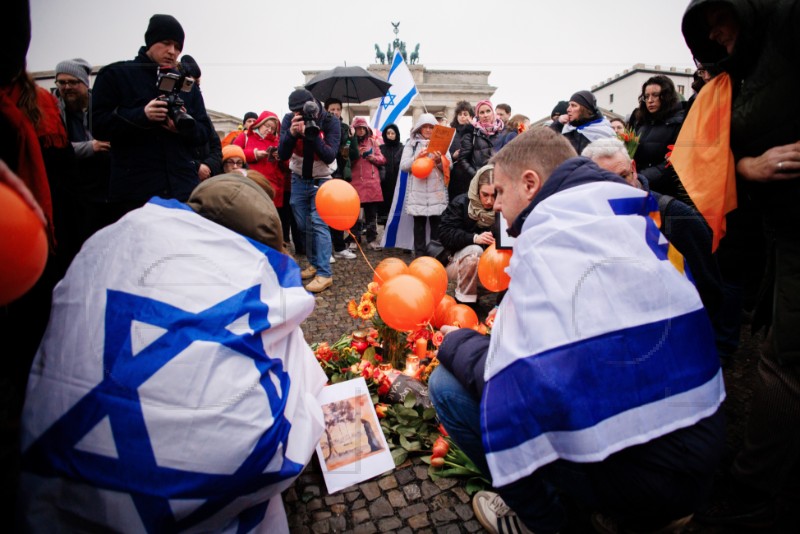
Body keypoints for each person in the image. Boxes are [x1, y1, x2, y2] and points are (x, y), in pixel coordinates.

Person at [429, 127, 726, 534]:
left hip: (653, 474)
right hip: (697, 441)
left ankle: (552, 522)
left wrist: (455, 342)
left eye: (500, 192)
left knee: (446, 385)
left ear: (530, 184)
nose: (496, 206)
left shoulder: (553, 243)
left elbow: (515, 384)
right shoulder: (622, 214)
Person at [18, 173, 326, 532]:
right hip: (195, 489)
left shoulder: (115, 243)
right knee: (295, 358)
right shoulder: (260, 287)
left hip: (54, 480)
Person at [681, 0, 800, 528]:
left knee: (783, 359)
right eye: (707, 29)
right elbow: (703, 153)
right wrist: (743, 167)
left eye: (720, 19)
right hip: (778, 232)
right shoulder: (738, 76)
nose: (717, 34)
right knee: (772, 335)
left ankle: (754, 488)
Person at [582, 137, 723, 330]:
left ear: (633, 167)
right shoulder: (589, 221)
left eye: (623, 176)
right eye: (606, 182)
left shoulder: (676, 217)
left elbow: (709, 292)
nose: (619, 188)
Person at [92, 14, 212, 222]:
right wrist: (142, 115)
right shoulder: (116, 75)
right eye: (166, 43)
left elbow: (204, 132)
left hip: (182, 192)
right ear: (150, 42)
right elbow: (98, 125)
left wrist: (183, 128)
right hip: (136, 194)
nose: (172, 51)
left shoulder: (187, 86)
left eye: (177, 46)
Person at [277, 88, 340, 293]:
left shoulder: (330, 121)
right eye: (295, 111)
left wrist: (312, 135)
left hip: (322, 179)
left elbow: (329, 155)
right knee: (303, 225)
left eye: (301, 110)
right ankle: (313, 263)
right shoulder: (289, 120)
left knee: (319, 223)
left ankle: (324, 273)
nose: (299, 115)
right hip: (298, 178)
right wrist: (292, 134)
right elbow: (282, 153)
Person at [438, 164, 496, 305]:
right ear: (477, 190)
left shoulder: (505, 207)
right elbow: (445, 234)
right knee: (474, 252)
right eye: (485, 195)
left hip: (490, 264)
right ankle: (465, 303)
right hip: (454, 260)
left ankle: (498, 304)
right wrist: (474, 238)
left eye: (494, 195)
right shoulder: (461, 203)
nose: (489, 201)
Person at [629, 75, 687, 200]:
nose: (650, 100)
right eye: (646, 96)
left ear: (666, 96)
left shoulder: (680, 122)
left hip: (667, 194)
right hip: (641, 189)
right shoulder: (640, 122)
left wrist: (641, 178)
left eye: (655, 95)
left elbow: (673, 163)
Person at [400, 113, 450, 258]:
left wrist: (439, 160)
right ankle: (420, 256)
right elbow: (404, 165)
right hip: (418, 192)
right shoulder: (411, 143)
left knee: (436, 227)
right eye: (425, 127)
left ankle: (436, 257)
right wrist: (417, 157)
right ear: (419, 129)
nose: (428, 130)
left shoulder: (442, 143)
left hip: (436, 191)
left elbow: (450, 166)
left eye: (431, 127)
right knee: (419, 226)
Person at [325, 98, 358, 260]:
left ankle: (339, 247)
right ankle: (326, 250)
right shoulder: (322, 126)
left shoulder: (346, 128)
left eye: (338, 109)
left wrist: (352, 139)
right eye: (332, 109)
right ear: (326, 110)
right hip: (326, 173)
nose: (335, 112)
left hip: (341, 174)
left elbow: (354, 155)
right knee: (324, 213)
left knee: (338, 213)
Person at [349, 117, 385, 249]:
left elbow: (382, 159)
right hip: (355, 182)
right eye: (358, 128)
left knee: (371, 214)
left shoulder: (373, 142)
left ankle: (371, 239)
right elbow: (344, 159)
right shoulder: (349, 142)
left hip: (371, 183)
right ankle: (354, 239)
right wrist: (356, 154)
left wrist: (372, 157)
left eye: (363, 128)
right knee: (354, 214)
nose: (361, 130)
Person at [549, 90, 615, 154]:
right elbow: (545, 143)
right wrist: (558, 124)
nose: (568, 109)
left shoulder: (603, 132)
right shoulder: (568, 128)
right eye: (569, 105)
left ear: (585, 109)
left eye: (573, 105)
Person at [458, 100, 504, 187]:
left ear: (492, 112)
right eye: (482, 112)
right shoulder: (471, 132)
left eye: (488, 111)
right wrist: (477, 175)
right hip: (479, 182)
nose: (485, 115)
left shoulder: (502, 132)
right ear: (477, 115)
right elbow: (462, 160)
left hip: (499, 181)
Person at [447, 100, 474, 200]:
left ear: (471, 116)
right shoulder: (450, 132)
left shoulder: (476, 132)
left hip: (471, 174)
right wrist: (453, 155)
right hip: (454, 176)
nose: (462, 116)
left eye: (465, 114)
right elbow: (444, 153)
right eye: (459, 114)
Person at [378, 123, 403, 225]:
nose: (390, 135)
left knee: (397, 208)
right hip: (384, 183)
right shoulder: (380, 148)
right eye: (388, 133)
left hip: (398, 182)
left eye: (393, 133)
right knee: (385, 210)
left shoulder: (402, 147)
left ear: (397, 134)